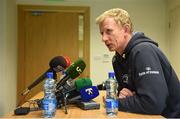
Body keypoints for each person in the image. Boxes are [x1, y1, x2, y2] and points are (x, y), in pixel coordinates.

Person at [96, 8, 180, 118]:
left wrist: (114, 102)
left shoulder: (143, 51)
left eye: (109, 31)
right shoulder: (117, 59)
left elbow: (153, 104)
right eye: (102, 33)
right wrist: (127, 98)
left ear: (126, 29)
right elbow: (125, 95)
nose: (103, 38)